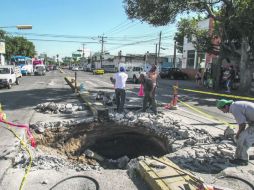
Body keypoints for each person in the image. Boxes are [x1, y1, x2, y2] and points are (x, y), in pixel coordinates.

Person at [216, 99, 254, 165]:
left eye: (222, 110)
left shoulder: (234, 108)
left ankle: (242, 159)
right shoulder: (236, 105)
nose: (223, 112)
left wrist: (238, 134)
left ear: (226, 106)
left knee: (242, 139)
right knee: (249, 137)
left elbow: (242, 125)